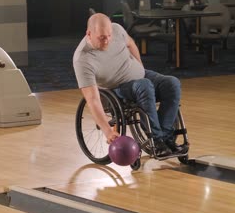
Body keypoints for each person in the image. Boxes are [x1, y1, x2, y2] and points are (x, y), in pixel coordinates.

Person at [73, 13, 187, 158]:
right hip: (117, 89)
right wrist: (107, 130)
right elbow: (92, 99)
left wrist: (139, 66)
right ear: (89, 34)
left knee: (172, 83)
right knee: (144, 86)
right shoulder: (83, 59)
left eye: (109, 35)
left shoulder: (116, 29)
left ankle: (166, 137)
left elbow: (130, 43)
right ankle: (157, 140)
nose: (107, 40)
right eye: (102, 38)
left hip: (142, 77)